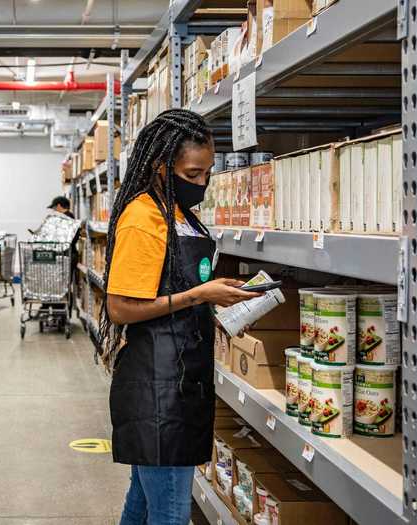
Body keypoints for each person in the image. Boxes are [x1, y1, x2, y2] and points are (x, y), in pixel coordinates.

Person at [98, 109, 261, 525]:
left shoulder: (177, 213)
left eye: (207, 174)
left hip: (181, 379)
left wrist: (218, 296)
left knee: (142, 502)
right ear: (160, 165)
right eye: (193, 174)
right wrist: (199, 295)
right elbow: (119, 307)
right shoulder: (143, 217)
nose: (201, 185)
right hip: (157, 387)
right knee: (170, 511)